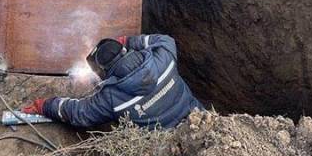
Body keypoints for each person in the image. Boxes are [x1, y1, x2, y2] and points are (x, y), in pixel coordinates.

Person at [23, 34, 203, 129]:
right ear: (124, 51)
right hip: (202, 124)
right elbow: (165, 39)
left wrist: (45, 106)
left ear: (104, 72)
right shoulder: (164, 57)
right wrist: (128, 40)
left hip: (168, 150)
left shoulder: (111, 98)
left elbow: (79, 113)